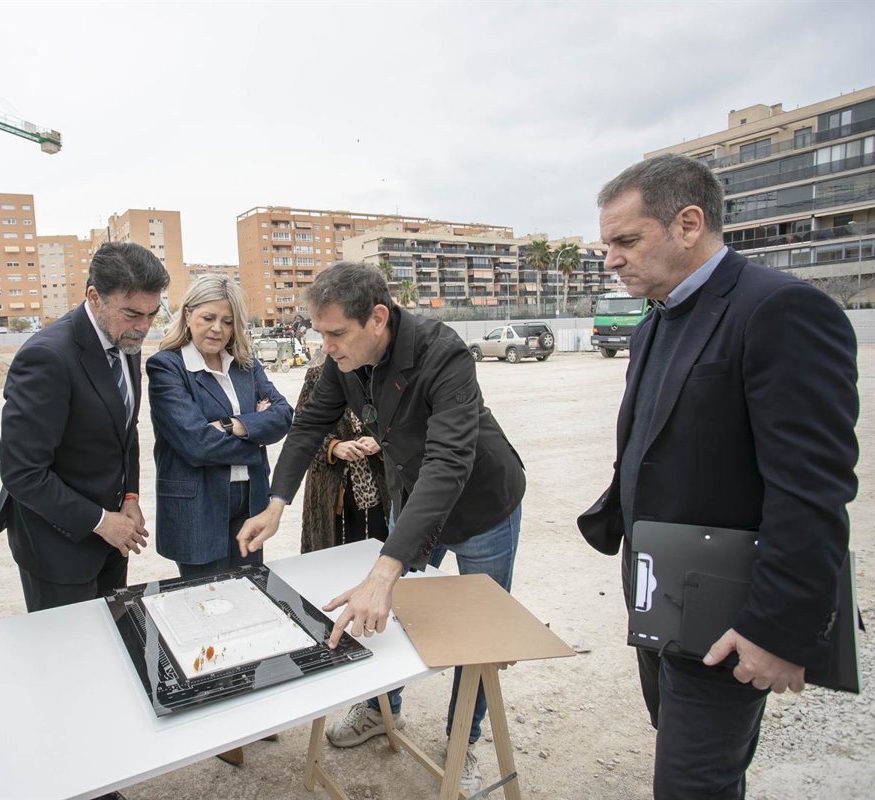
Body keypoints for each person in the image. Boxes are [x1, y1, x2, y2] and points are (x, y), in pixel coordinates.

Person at [577, 154, 859, 799]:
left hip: (730, 611)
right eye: (606, 246)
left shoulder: (780, 309)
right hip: (661, 597)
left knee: (692, 784)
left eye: (626, 241)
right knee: (688, 758)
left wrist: (776, 629)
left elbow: (811, 488)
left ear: (688, 224)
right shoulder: (656, 320)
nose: (612, 260)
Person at [236, 261, 526, 794]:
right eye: (319, 333)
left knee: (476, 634)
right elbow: (307, 427)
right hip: (411, 496)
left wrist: (387, 566)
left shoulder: (445, 353)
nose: (325, 346)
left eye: (335, 333)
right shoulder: (343, 362)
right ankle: (379, 709)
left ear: (377, 318)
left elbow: (448, 462)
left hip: (481, 503)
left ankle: (462, 741)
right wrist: (277, 503)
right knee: (380, 608)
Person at [0, 242, 167, 611]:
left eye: (152, 314)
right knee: (71, 645)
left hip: (113, 537)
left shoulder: (124, 341)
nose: (143, 328)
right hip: (57, 548)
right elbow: (23, 473)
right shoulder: (47, 357)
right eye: (133, 314)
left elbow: (125, 431)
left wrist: (130, 497)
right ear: (94, 297)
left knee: (113, 634)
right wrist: (101, 521)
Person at [146, 276, 292, 578]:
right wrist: (255, 438)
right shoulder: (167, 367)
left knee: (250, 588)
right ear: (188, 315)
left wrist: (230, 424)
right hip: (198, 505)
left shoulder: (245, 365)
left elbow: (283, 416)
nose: (217, 329)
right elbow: (196, 443)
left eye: (227, 322)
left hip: (250, 500)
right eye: (208, 318)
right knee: (207, 596)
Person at [295, 353, 390, 553]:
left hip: (376, 485)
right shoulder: (317, 376)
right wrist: (333, 446)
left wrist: (381, 442)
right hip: (330, 487)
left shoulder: (379, 373)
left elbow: (402, 423)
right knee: (332, 556)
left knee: (379, 552)